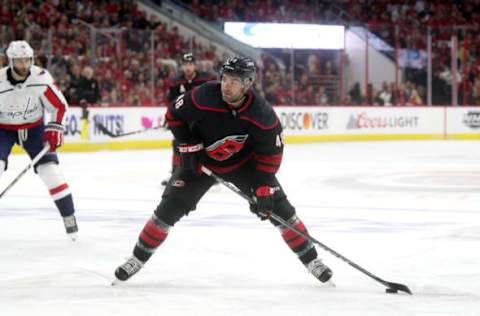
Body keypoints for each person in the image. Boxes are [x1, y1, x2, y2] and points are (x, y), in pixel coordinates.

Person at [114, 56, 333, 284]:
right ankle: (136, 259)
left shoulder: (263, 116)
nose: (226, 85)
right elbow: (173, 115)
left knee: (281, 210)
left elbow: (270, 156)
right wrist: (188, 148)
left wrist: (263, 186)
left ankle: (313, 261)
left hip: (244, 167)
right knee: (168, 209)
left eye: (234, 81)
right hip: (202, 163)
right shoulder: (203, 95)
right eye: (225, 79)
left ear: (248, 84)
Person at [0, 40, 78, 240]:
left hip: (34, 129)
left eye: (27, 60)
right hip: (3, 130)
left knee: (51, 173)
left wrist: (54, 128)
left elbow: (59, 106)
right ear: (10, 61)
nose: (24, 65)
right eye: (19, 61)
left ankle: (69, 217)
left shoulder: (40, 78)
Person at [161, 52, 215, 186]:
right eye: (185, 64)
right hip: (183, 120)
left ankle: (211, 173)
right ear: (182, 66)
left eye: (191, 64)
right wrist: (168, 120)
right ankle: (175, 173)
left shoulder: (207, 79)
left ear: (195, 66)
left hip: (202, 119)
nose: (188, 67)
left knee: (207, 144)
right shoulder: (175, 82)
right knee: (178, 144)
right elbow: (172, 103)